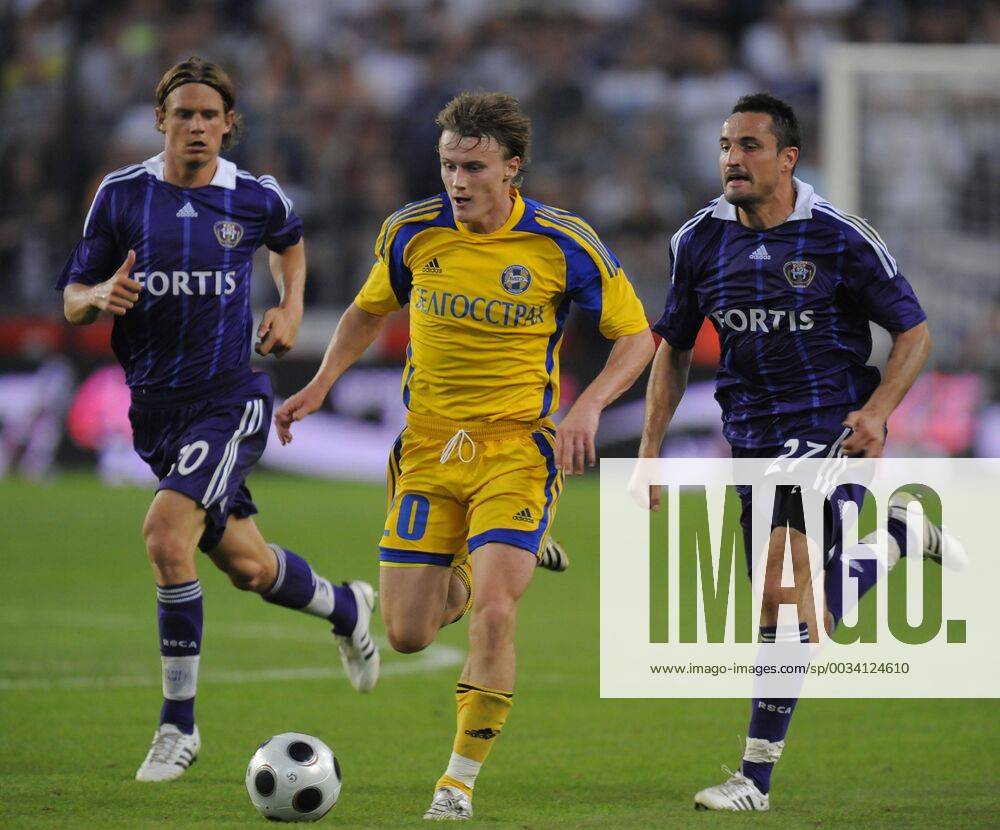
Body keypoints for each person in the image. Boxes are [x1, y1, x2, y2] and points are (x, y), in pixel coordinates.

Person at [276, 91, 653, 820]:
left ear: (512, 169)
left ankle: (456, 784)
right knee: (408, 633)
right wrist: (322, 383)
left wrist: (588, 405)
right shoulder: (411, 232)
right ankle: (478, 556)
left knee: (495, 614)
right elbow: (365, 311)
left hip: (517, 450)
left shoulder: (562, 242)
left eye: (473, 166)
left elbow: (636, 335)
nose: (457, 179)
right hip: (426, 447)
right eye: (448, 164)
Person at [56, 57, 380, 783]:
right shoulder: (120, 196)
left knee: (165, 535)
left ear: (229, 125)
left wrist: (291, 305)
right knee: (248, 566)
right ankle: (345, 607)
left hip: (228, 400)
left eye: (209, 116)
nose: (196, 126)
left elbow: (291, 243)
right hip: (156, 412)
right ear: (160, 121)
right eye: (183, 115)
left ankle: (178, 728)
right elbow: (71, 295)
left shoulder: (253, 198)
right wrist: (99, 292)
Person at [640, 92, 945, 811]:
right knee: (801, 620)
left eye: (748, 146)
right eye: (725, 146)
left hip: (832, 425)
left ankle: (753, 780)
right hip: (750, 436)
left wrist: (876, 413)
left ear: (788, 157)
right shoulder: (699, 242)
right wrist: (650, 450)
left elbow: (915, 332)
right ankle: (895, 538)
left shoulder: (837, 236)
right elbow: (673, 350)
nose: (732, 160)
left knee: (782, 588)